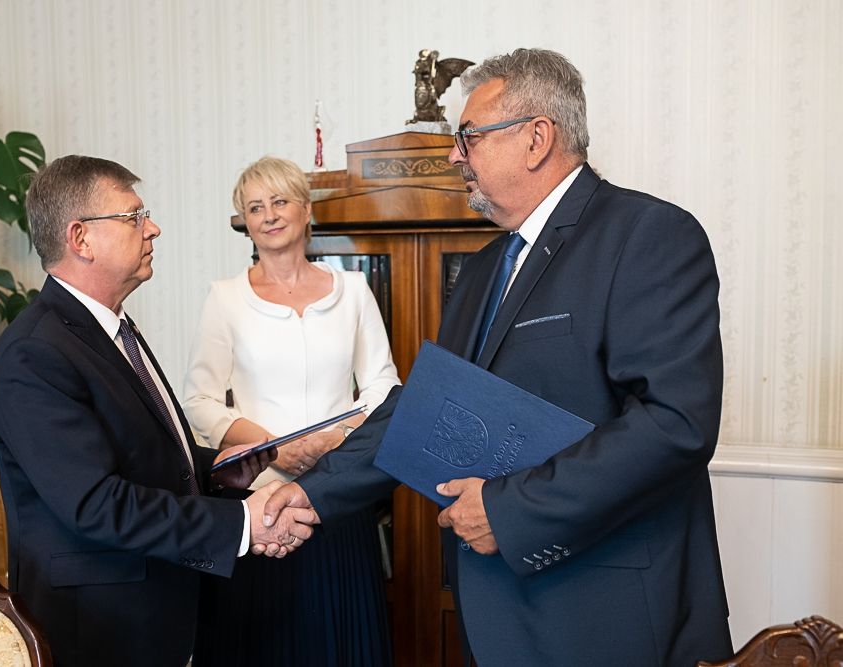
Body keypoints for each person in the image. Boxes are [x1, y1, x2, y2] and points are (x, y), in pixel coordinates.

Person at [262, 49, 734, 666]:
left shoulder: (648, 234)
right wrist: (312, 493)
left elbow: (675, 424)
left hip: (607, 610)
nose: (455, 156)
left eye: (470, 137)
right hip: (501, 610)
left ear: (536, 138)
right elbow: (427, 407)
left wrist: (510, 511)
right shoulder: (486, 266)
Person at [0, 155, 315, 667]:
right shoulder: (34, 352)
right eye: (134, 216)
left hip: (163, 610)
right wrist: (241, 523)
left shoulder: (113, 328)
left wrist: (214, 468)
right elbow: (95, 503)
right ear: (81, 239)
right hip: (101, 632)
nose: (152, 228)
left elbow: (138, 452)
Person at [182, 156, 400, 666]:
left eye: (279, 201)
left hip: (339, 494)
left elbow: (383, 388)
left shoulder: (354, 291)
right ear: (245, 221)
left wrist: (334, 441)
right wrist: (274, 448)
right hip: (260, 503)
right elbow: (199, 400)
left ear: (306, 209)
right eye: (255, 207)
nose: (269, 215)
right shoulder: (225, 298)